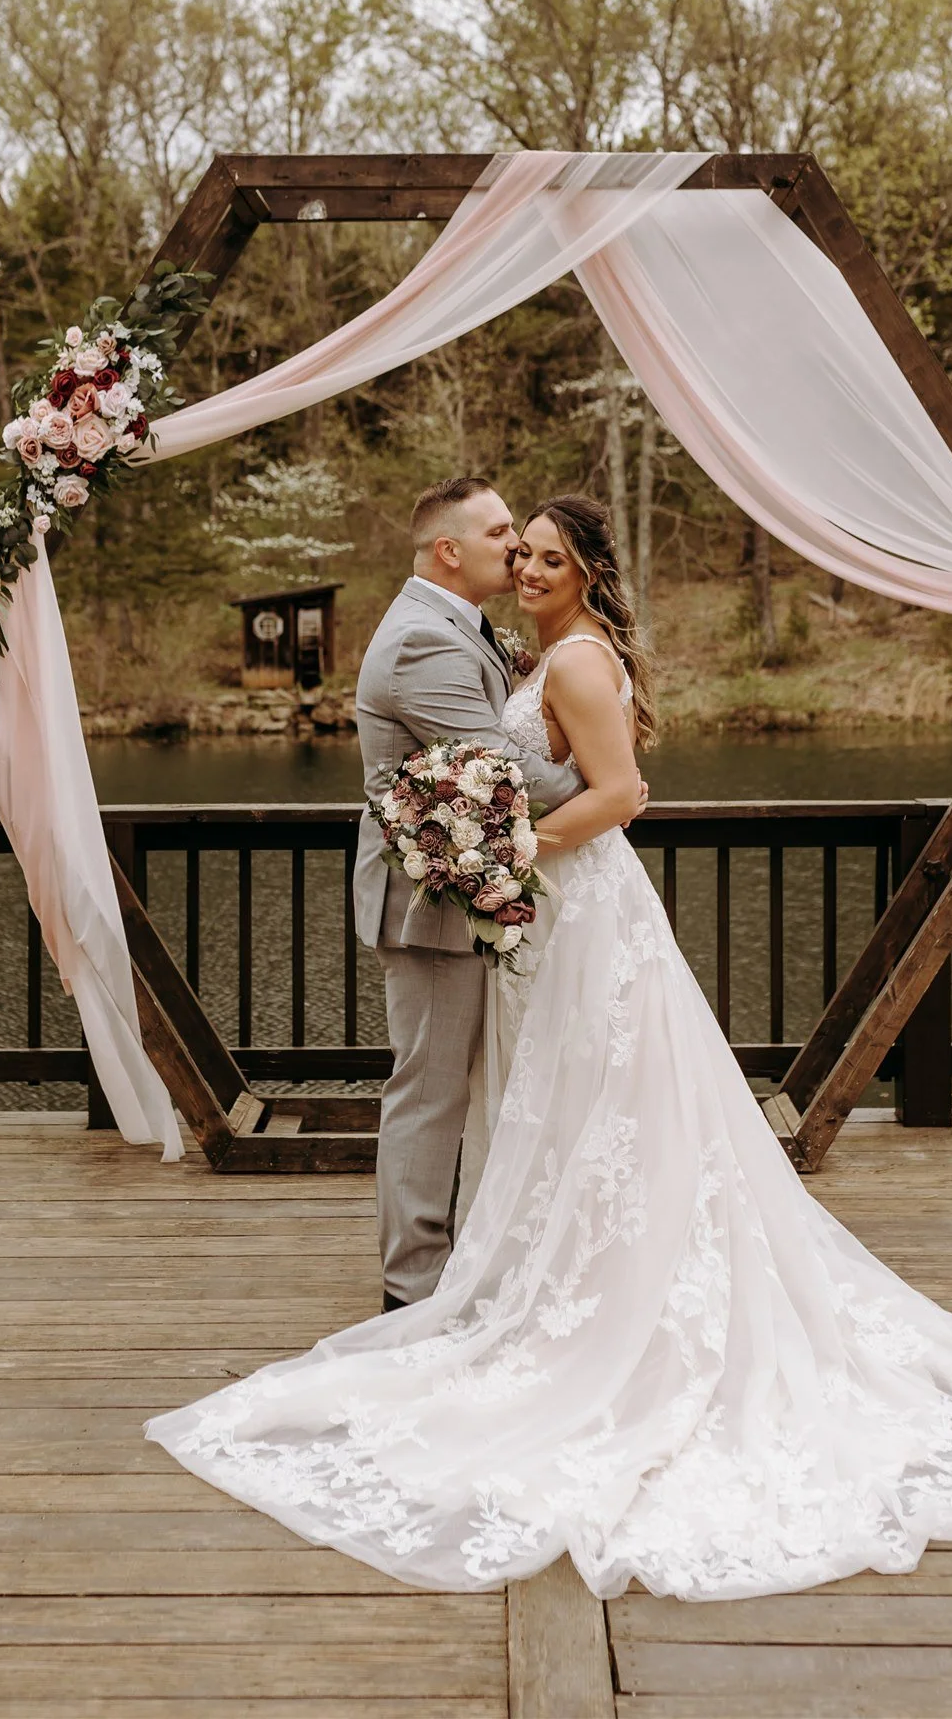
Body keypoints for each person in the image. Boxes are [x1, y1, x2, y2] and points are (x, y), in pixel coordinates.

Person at [146, 494, 952, 1602]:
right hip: (532, 908)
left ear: (588, 569)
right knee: (551, 1104)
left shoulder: (571, 660)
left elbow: (610, 791)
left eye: (549, 552)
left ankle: (562, 1288)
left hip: (572, 906)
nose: (530, 561)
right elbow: (504, 766)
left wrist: (511, 841)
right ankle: (490, 1278)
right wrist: (504, 836)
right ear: (462, 550)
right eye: (520, 546)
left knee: (600, 1099)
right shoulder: (488, 643)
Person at [348, 477, 586, 1311]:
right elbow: (505, 769)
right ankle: (409, 1291)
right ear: (449, 550)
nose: (515, 548)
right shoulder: (423, 642)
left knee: (468, 1085)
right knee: (430, 1091)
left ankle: (464, 1260)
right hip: (429, 898)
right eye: (499, 535)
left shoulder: (464, 628)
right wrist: (606, 777)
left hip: (468, 887)